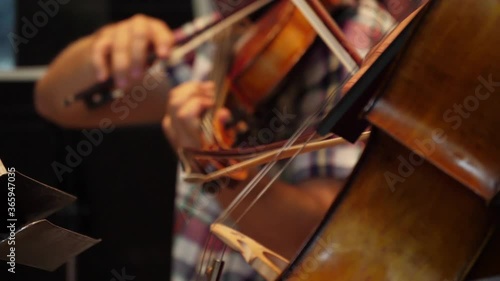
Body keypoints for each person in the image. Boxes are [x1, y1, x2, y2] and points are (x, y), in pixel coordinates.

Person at [34, 0, 425, 280]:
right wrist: (107, 47)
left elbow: (316, 235)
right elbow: (59, 103)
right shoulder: (232, 27)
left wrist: (214, 170)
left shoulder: (352, 37)